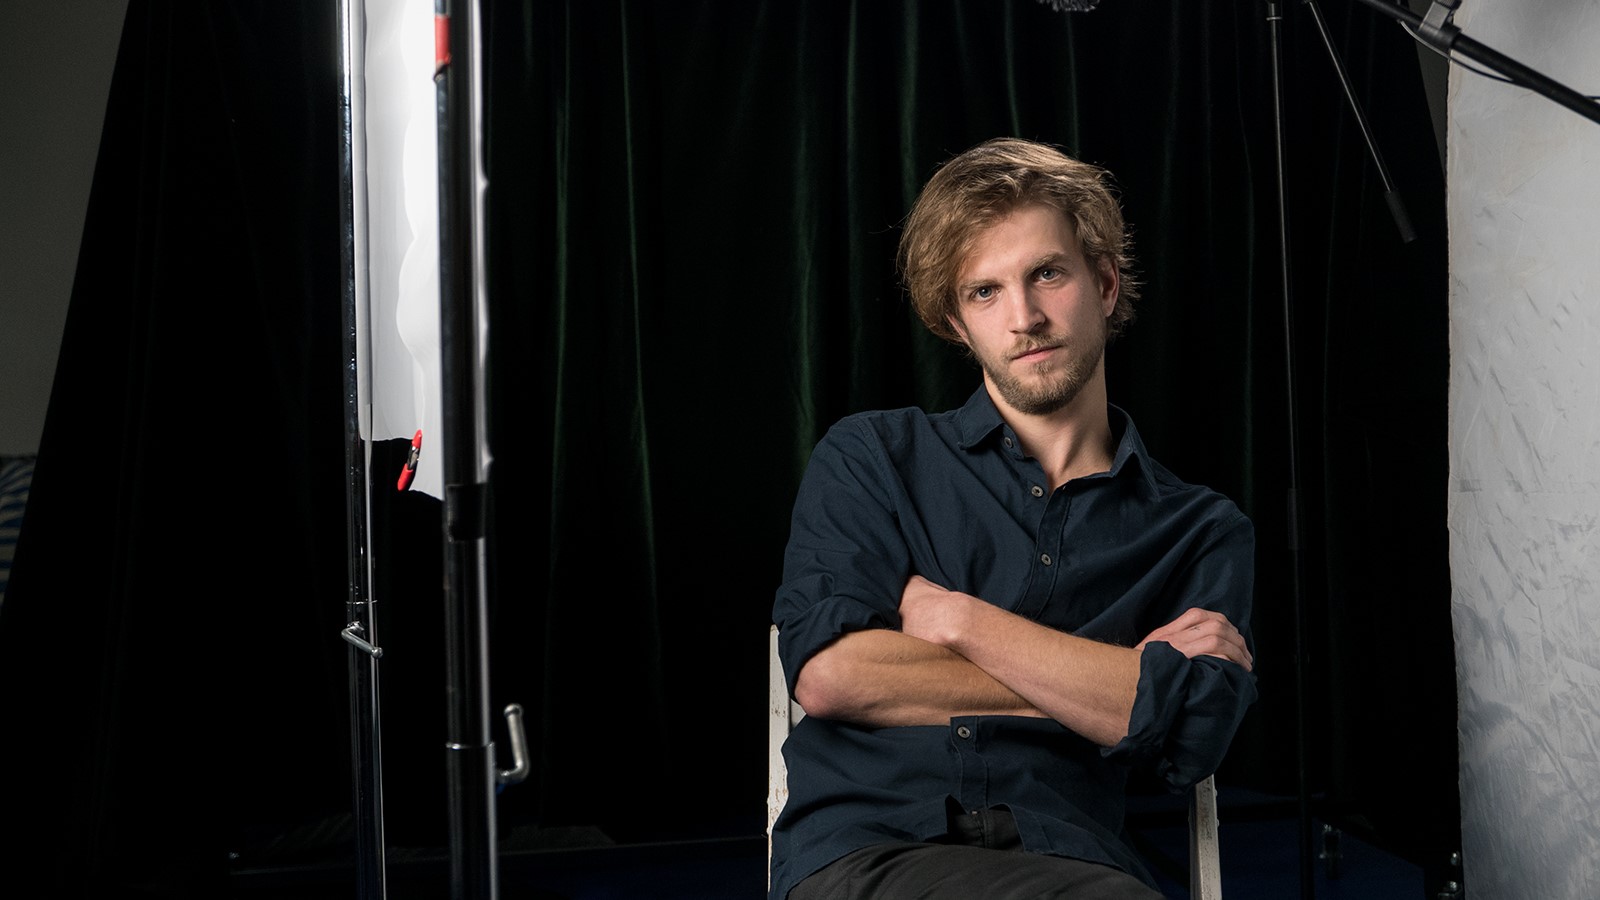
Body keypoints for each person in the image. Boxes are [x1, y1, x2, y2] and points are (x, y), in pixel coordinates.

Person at [768, 137, 1258, 900]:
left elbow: (1192, 735)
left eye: (1047, 274)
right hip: (871, 857)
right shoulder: (874, 458)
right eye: (985, 292)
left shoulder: (1198, 529)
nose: (1024, 317)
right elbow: (832, 675)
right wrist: (1116, 686)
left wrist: (959, 620)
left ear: (1104, 284)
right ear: (957, 323)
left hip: (1074, 863)